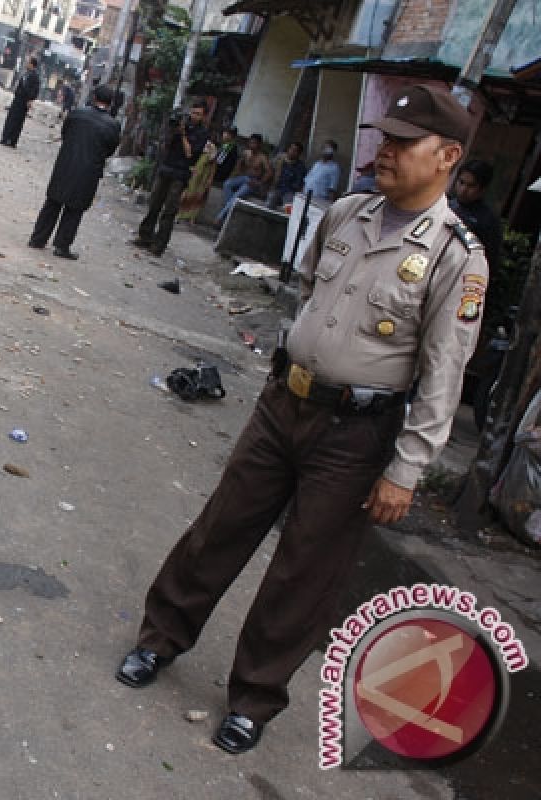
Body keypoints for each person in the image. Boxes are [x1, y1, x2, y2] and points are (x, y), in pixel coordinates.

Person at [115, 83, 486, 755]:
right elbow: (311, 289)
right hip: (284, 401)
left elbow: (444, 375)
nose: (387, 152)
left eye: (405, 144)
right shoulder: (347, 213)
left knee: (303, 571)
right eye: (386, 139)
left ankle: (254, 698)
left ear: (448, 155)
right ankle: (159, 639)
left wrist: (405, 470)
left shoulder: (456, 257)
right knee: (221, 528)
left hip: (356, 433)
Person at [26, 84, 121, 259]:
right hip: (89, 171)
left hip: (66, 164)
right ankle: (62, 246)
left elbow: (65, 133)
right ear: (110, 103)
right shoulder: (113, 125)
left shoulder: (77, 114)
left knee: (53, 202)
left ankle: (38, 239)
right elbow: (110, 150)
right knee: (74, 209)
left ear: (94, 98)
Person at [132, 101, 209, 257]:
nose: (194, 116)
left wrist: (183, 135)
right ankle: (145, 236)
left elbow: (190, 154)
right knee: (154, 204)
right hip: (166, 168)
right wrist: (172, 130)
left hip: (180, 174)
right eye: (193, 113)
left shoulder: (202, 133)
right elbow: (165, 145)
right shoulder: (181, 124)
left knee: (169, 211)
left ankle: (159, 245)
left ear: (203, 116)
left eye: (198, 114)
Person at [449, 159, 502, 274]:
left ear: (482, 189)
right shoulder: (444, 206)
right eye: (461, 182)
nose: (463, 190)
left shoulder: (487, 221)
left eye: (471, 186)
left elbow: (489, 261)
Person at [214, 133, 271, 225]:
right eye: (251, 143)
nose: (252, 145)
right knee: (227, 184)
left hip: (253, 182)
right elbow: (238, 167)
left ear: (259, 144)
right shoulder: (246, 153)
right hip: (243, 177)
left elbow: (269, 172)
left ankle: (220, 217)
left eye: (255, 143)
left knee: (237, 195)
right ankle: (229, 212)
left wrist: (259, 182)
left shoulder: (263, 157)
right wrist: (239, 171)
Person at [0, 57, 40, 147]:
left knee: (18, 121)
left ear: (32, 64)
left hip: (24, 101)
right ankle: (6, 138)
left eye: (28, 62)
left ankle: (12, 141)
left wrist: (30, 100)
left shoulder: (35, 76)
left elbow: (35, 90)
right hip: (17, 99)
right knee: (11, 119)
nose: (26, 64)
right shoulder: (26, 74)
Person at [176, 137, 218, 223]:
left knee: (198, 195)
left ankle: (192, 217)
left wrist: (210, 178)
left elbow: (213, 164)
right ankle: (180, 215)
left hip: (204, 175)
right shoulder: (199, 143)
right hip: (196, 171)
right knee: (188, 192)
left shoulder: (213, 148)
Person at [265, 141, 307, 209]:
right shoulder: (280, 159)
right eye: (291, 149)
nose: (292, 152)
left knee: (288, 208)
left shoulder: (300, 167)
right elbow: (270, 171)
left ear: (299, 154)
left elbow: (297, 185)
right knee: (270, 201)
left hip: (289, 192)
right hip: (276, 189)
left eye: (295, 151)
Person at [303, 139, 341, 206]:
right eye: (324, 148)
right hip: (306, 197)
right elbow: (307, 180)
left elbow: (332, 189)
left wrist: (330, 206)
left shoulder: (334, 168)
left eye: (328, 149)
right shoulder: (317, 163)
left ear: (333, 152)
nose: (325, 151)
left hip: (319, 200)